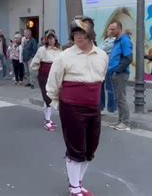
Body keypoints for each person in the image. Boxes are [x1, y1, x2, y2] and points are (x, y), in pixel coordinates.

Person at [46, 18, 108, 196]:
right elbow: (52, 85)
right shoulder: (64, 57)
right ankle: (74, 188)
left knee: (90, 147)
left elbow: (101, 79)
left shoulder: (102, 55)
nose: (78, 36)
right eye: (75, 33)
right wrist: (60, 105)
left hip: (93, 106)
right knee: (76, 148)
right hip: (72, 107)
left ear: (90, 34)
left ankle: (78, 182)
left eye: (82, 32)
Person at [30, 30, 62, 131]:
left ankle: (47, 118)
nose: (51, 40)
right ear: (46, 40)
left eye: (53, 38)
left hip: (55, 76)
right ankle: (47, 121)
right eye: (49, 38)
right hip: (45, 76)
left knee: (52, 97)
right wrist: (39, 70)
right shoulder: (42, 50)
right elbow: (34, 63)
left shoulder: (59, 50)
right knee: (47, 97)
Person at [107, 21, 133, 131]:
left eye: (113, 29)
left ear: (119, 29)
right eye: (110, 29)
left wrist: (117, 71)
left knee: (121, 98)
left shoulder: (125, 40)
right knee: (117, 98)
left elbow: (128, 58)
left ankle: (125, 122)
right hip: (115, 73)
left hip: (121, 74)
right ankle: (120, 120)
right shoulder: (117, 41)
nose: (111, 31)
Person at [99, 30, 117, 113]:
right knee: (101, 87)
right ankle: (101, 106)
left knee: (110, 88)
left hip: (109, 67)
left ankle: (111, 108)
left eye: (111, 30)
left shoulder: (114, 41)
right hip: (102, 66)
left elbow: (101, 49)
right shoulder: (106, 40)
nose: (108, 31)